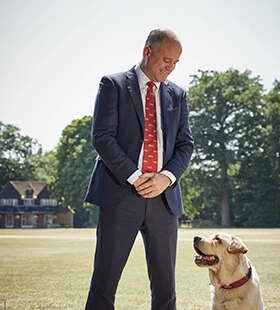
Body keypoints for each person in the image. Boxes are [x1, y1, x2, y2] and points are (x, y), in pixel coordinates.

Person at [84, 28, 194, 310]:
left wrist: (165, 178)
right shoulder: (114, 84)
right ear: (148, 52)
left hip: (163, 201)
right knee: (104, 285)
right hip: (120, 195)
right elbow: (102, 137)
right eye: (166, 60)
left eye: (176, 63)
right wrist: (135, 177)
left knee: (165, 289)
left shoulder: (178, 95)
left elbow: (185, 146)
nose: (170, 67)